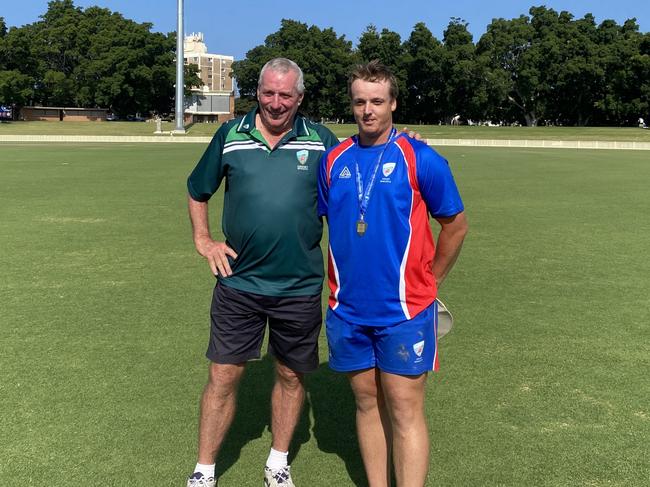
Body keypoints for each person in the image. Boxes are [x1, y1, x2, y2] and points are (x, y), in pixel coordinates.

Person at [185, 58, 339, 487]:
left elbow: (360, 171)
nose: (275, 103)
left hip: (299, 285)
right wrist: (204, 240)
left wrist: (408, 141)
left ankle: (277, 461)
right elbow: (198, 190)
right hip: (239, 283)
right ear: (258, 92)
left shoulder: (322, 141)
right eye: (268, 93)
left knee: (291, 375)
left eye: (285, 94)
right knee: (223, 375)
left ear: (300, 97)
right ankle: (204, 470)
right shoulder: (230, 135)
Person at [317, 61, 468, 487]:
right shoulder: (333, 162)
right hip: (347, 310)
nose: (368, 110)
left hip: (405, 310)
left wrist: (431, 279)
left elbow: (455, 225)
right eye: (360, 101)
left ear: (393, 103)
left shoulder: (421, 158)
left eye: (377, 101)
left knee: (404, 408)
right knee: (366, 403)